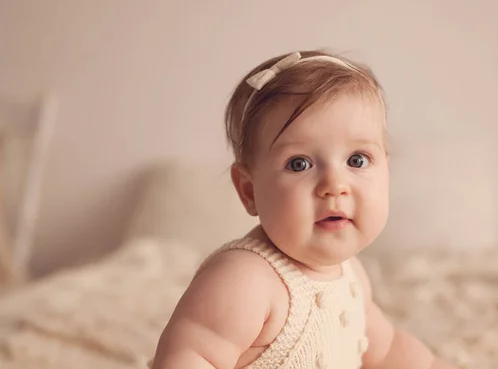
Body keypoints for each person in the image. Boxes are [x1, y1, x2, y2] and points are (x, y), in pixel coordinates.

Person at [150, 50, 457, 368]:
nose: (334, 184)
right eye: (299, 164)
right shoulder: (243, 280)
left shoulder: (352, 275)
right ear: (249, 190)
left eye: (357, 160)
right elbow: (190, 358)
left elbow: (387, 349)